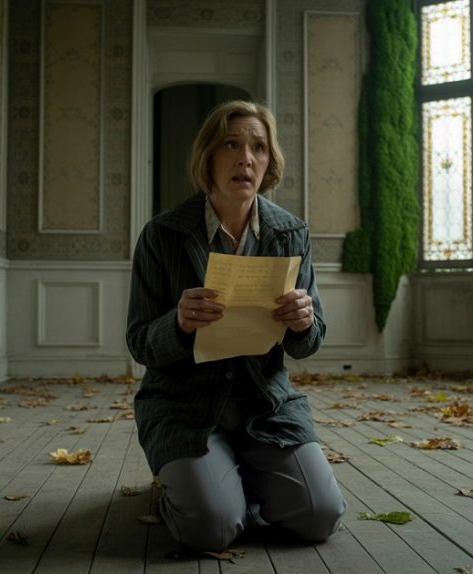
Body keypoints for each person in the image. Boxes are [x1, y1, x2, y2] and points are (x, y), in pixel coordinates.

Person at [126, 100, 347, 552]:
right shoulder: (162, 234)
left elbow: (310, 341)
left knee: (320, 516)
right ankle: (198, 488)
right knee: (211, 529)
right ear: (208, 156)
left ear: (269, 162)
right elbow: (139, 341)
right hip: (184, 407)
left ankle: (233, 482)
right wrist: (178, 323)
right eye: (231, 144)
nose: (246, 158)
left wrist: (303, 322)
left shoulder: (291, 234)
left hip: (265, 405)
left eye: (258, 147)